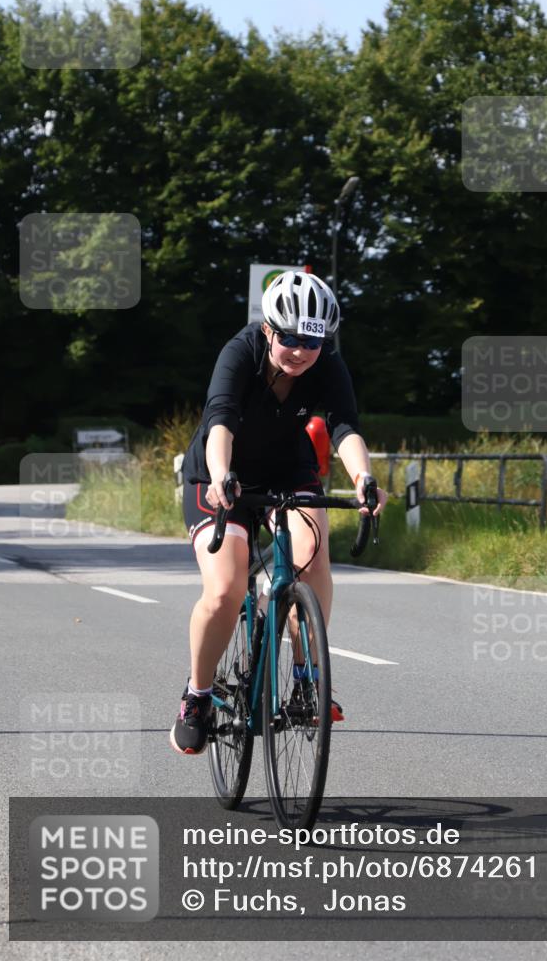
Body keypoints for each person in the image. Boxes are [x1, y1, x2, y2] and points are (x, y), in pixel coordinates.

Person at [171, 270, 387, 755]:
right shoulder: (240, 352)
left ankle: (306, 678)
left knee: (311, 557)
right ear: (269, 329)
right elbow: (220, 419)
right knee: (225, 588)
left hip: (288, 470)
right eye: (289, 338)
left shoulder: (326, 363)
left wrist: (362, 479)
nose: (301, 350)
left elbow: (344, 426)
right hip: (218, 471)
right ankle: (197, 696)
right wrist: (223, 473)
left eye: (312, 340)